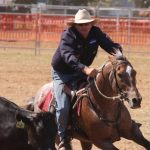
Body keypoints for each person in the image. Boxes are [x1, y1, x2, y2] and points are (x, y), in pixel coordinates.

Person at [51, 8, 122, 150]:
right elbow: (67, 56)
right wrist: (85, 69)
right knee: (63, 106)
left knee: (100, 93)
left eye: (86, 24)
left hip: (82, 72)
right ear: (75, 25)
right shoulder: (68, 35)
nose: (84, 27)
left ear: (91, 24)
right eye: (80, 24)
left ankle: (121, 124)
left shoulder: (96, 33)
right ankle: (62, 137)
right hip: (62, 73)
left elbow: (110, 46)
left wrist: (119, 55)